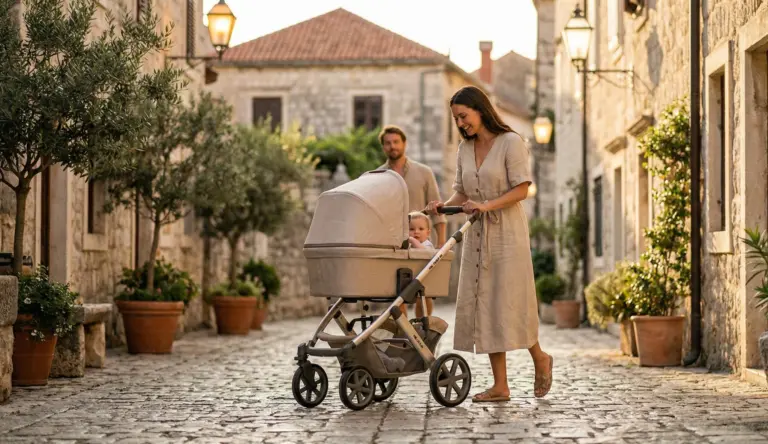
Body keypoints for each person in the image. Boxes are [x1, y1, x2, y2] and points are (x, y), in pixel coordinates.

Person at [425, 85, 554, 402]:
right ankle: (501, 386)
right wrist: (443, 206)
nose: (460, 123)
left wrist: (487, 206)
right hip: (478, 234)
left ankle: (540, 357)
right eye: (456, 119)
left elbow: (522, 189)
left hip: (507, 234)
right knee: (485, 303)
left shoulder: (511, 142)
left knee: (512, 301)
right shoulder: (464, 149)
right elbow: (462, 193)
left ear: (480, 109)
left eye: (463, 116)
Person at [378, 125, 445, 318]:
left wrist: (441, 243)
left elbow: (438, 210)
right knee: (395, 294)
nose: (392, 146)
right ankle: (405, 336)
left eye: (396, 142)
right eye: (388, 143)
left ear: (404, 143)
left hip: (422, 245)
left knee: (424, 292)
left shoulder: (424, 172)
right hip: (393, 245)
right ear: (383, 147)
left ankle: (422, 334)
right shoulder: (378, 176)